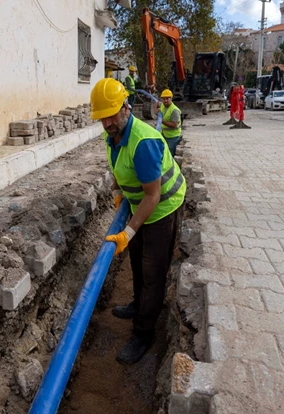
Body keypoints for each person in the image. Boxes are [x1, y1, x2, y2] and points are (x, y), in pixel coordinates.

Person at [89, 78, 186, 364]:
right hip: (138, 205)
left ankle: (144, 333)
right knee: (136, 263)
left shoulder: (142, 141)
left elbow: (153, 196)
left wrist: (128, 231)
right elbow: (117, 170)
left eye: (111, 115)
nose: (107, 123)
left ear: (126, 108)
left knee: (153, 273)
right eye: (101, 118)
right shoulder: (112, 136)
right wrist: (119, 193)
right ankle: (137, 304)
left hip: (162, 208)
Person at [157, 89, 182, 156]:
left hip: (173, 137)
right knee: (163, 153)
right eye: (164, 99)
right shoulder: (162, 105)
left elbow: (174, 125)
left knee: (170, 155)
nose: (165, 100)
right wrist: (155, 110)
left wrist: (161, 121)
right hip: (164, 134)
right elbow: (156, 104)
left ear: (171, 98)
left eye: (167, 98)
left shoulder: (174, 110)